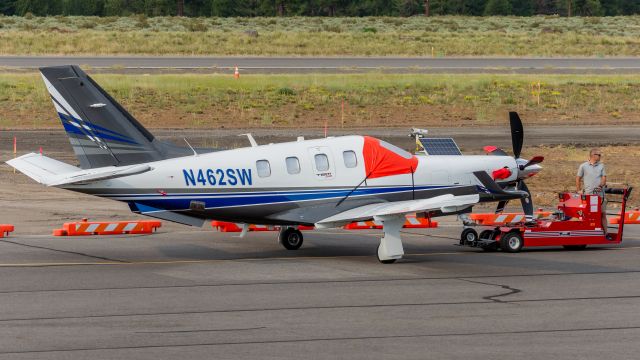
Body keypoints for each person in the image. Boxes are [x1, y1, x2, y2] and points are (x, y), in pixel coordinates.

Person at [576, 148, 608, 237]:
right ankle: (588, 233)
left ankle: (606, 233)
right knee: (588, 215)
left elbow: (604, 178)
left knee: (602, 214)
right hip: (588, 195)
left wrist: (601, 186)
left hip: (600, 195)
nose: (600, 156)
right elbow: (578, 178)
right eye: (599, 155)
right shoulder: (583, 166)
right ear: (593, 155)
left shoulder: (601, 166)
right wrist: (578, 190)